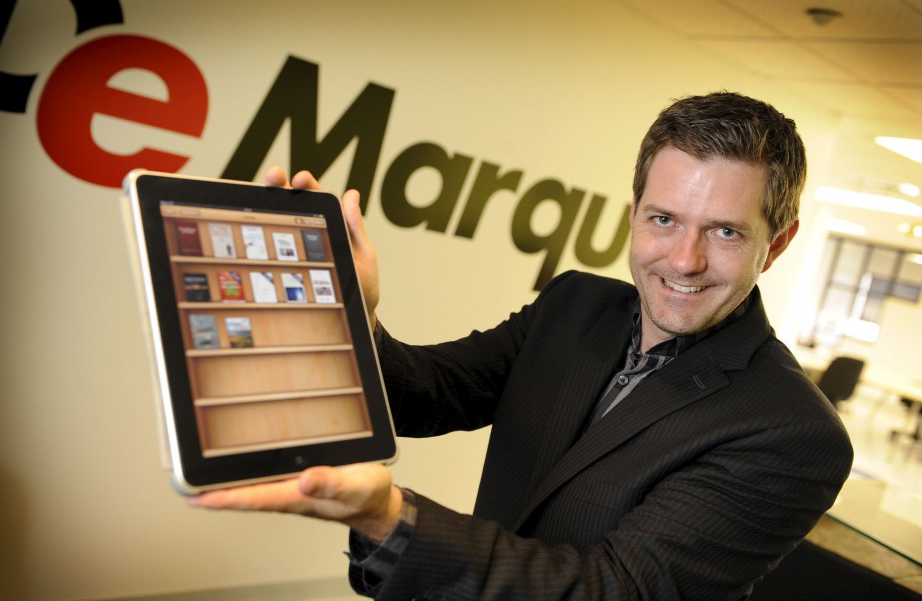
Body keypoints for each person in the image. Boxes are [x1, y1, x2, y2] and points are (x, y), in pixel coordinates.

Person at [189, 91, 854, 599]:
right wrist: (346, 316)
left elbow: (612, 590)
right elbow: (427, 393)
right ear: (633, 214)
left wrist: (389, 516)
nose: (684, 259)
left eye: (726, 232)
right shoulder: (575, 306)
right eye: (664, 219)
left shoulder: (792, 432)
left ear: (778, 243)